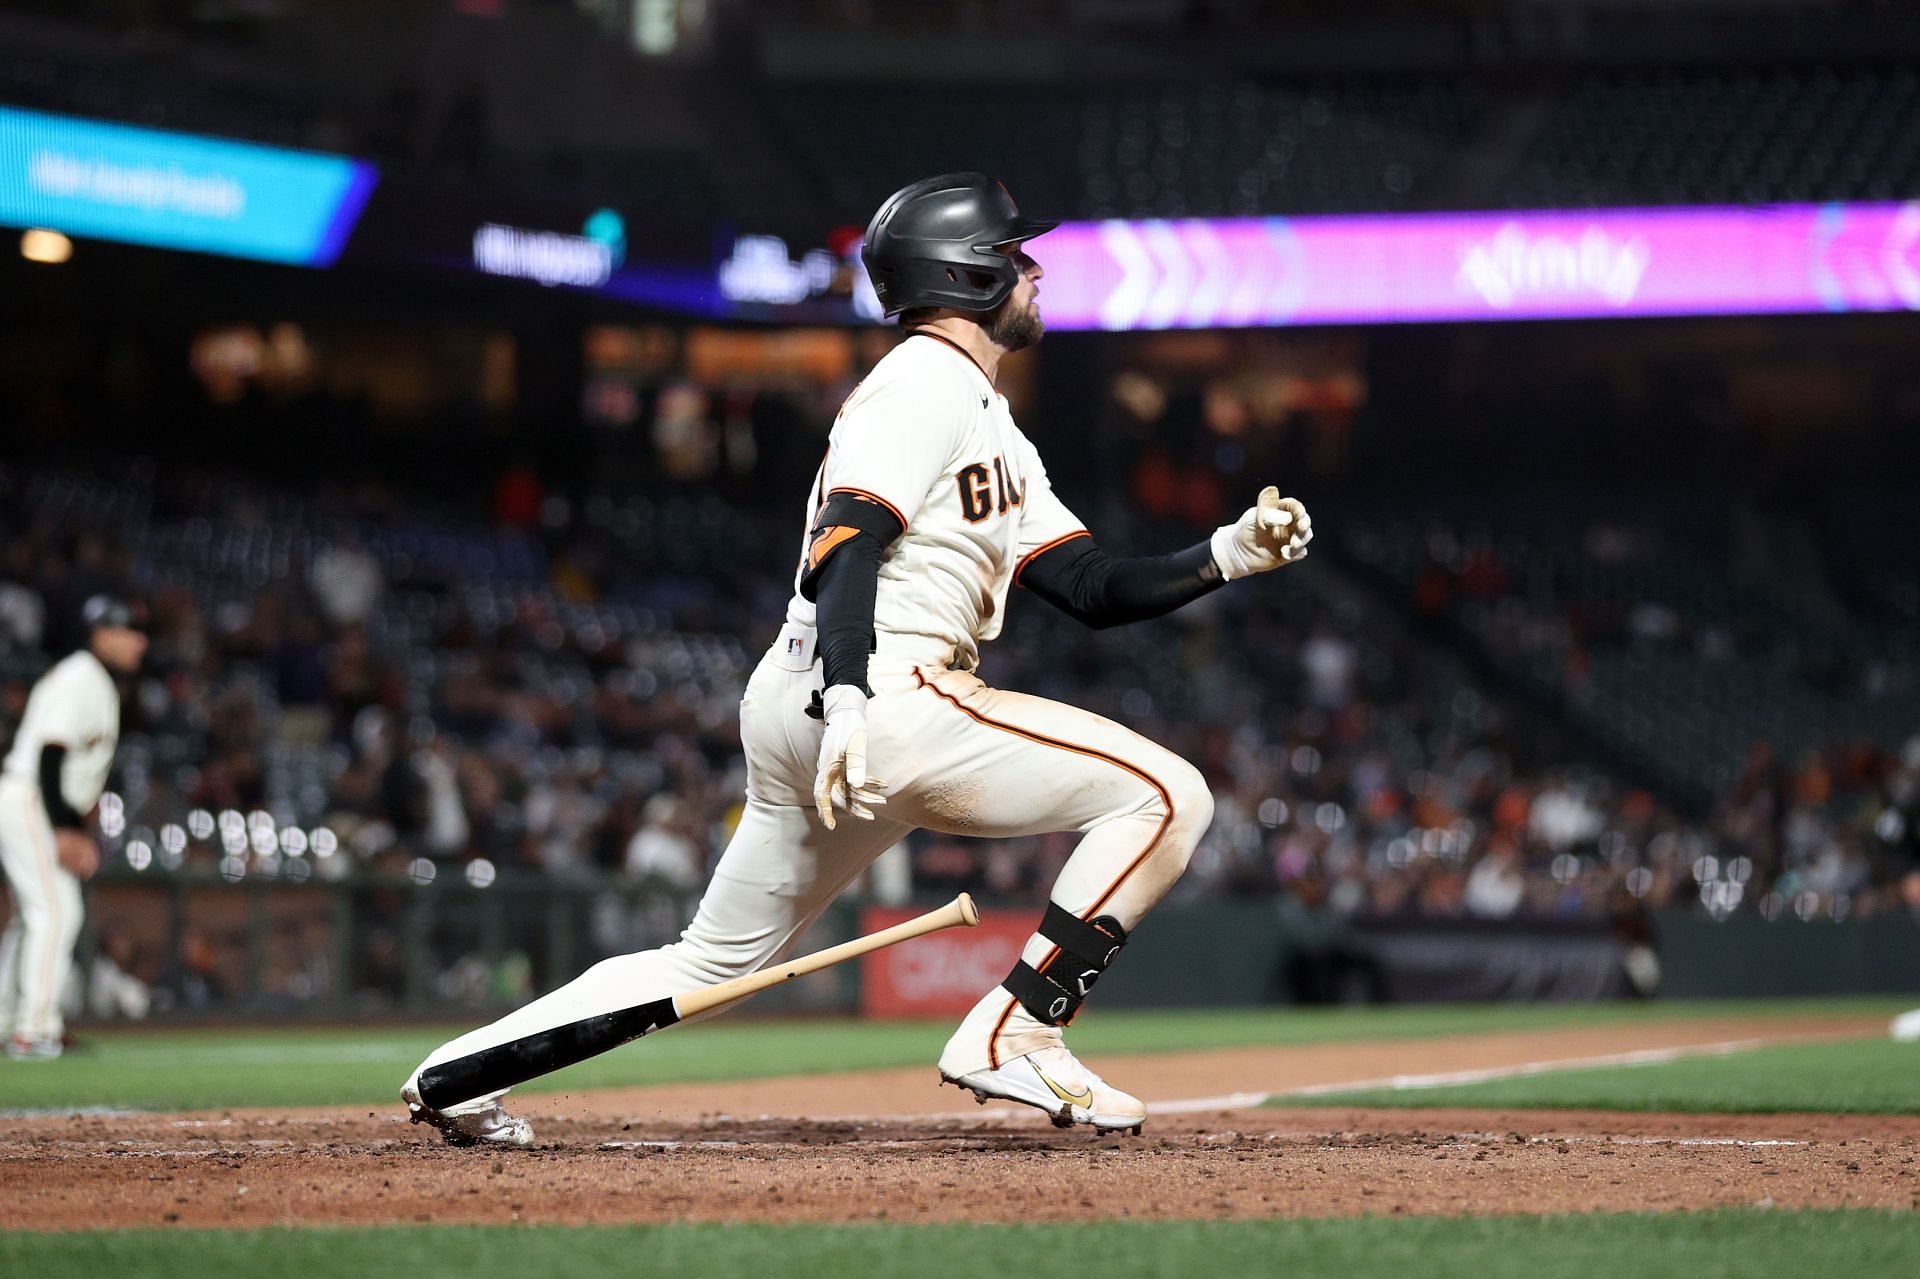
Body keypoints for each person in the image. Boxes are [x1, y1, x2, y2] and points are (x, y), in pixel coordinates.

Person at [399, 173, 1313, 1146]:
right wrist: (849, 700)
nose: (1034, 269)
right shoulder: (923, 381)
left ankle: (454, 1074)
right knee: (1169, 795)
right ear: (966, 275)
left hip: (821, 700)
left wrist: (1226, 553)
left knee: (708, 962)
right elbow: (847, 538)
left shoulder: (981, 415)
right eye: (1013, 255)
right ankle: (1016, 1032)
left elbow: (1089, 586)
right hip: (884, 691)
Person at [0, 595, 147, 1059]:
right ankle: (33, 1028)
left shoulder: (94, 679)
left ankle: (12, 1021)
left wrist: (77, 818)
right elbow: (50, 753)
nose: (140, 641)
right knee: (56, 911)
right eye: (131, 631)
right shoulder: (81, 676)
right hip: (30, 798)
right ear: (103, 634)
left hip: (37, 801)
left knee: (36, 915)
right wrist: (64, 828)